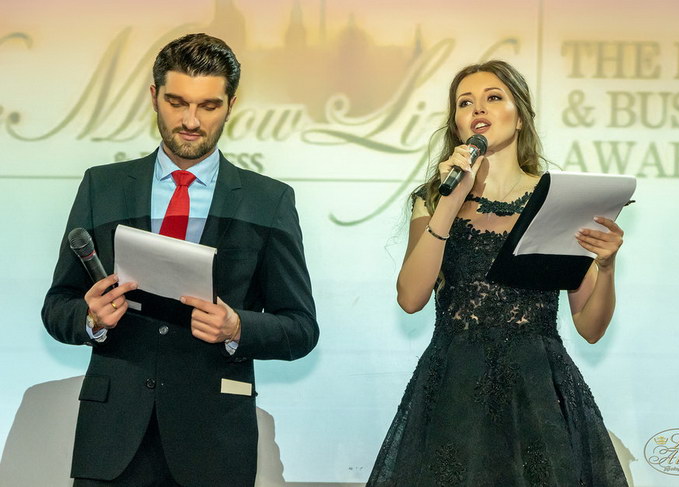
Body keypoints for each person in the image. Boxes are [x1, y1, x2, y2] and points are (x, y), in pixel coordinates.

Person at [42, 33, 318, 487]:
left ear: (231, 105)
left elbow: (301, 328)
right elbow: (57, 307)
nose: (191, 120)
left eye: (208, 106)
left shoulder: (269, 200)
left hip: (215, 442)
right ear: (154, 97)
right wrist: (90, 319)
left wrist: (237, 328)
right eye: (177, 102)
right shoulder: (101, 186)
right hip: (111, 439)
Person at [366, 60, 628, 486]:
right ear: (456, 123)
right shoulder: (433, 197)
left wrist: (607, 264)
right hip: (453, 387)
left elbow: (591, 328)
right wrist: (450, 202)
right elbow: (410, 299)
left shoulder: (562, 199)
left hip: (539, 389)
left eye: (493, 97)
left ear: (520, 116)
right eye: (464, 102)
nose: (478, 108)